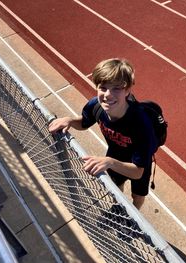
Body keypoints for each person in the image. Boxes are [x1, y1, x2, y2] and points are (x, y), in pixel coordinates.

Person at [48, 58, 157, 209]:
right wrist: (70, 121)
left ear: (127, 90)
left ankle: (135, 217)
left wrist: (110, 162)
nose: (108, 95)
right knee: (115, 187)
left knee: (137, 195)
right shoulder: (96, 105)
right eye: (103, 87)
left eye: (116, 88)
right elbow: (84, 122)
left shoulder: (140, 124)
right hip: (114, 155)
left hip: (138, 163)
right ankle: (118, 208)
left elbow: (138, 172)